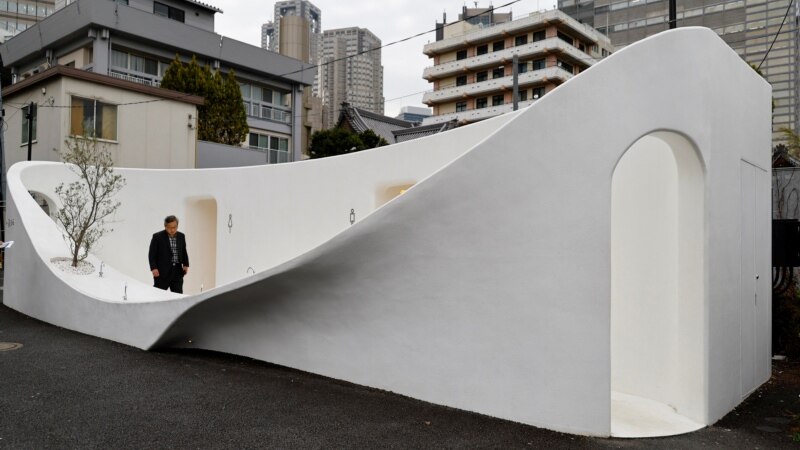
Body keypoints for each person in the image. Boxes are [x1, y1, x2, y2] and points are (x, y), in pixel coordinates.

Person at [148, 215, 189, 293]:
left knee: (178, 296)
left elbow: (183, 251)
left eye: (175, 227)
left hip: (177, 271)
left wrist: (186, 264)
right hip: (161, 272)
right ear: (165, 226)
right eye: (170, 227)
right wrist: (153, 268)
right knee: (159, 295)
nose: (172, 230)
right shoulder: (157, 237)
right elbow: (151, 254)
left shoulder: (181, 236)